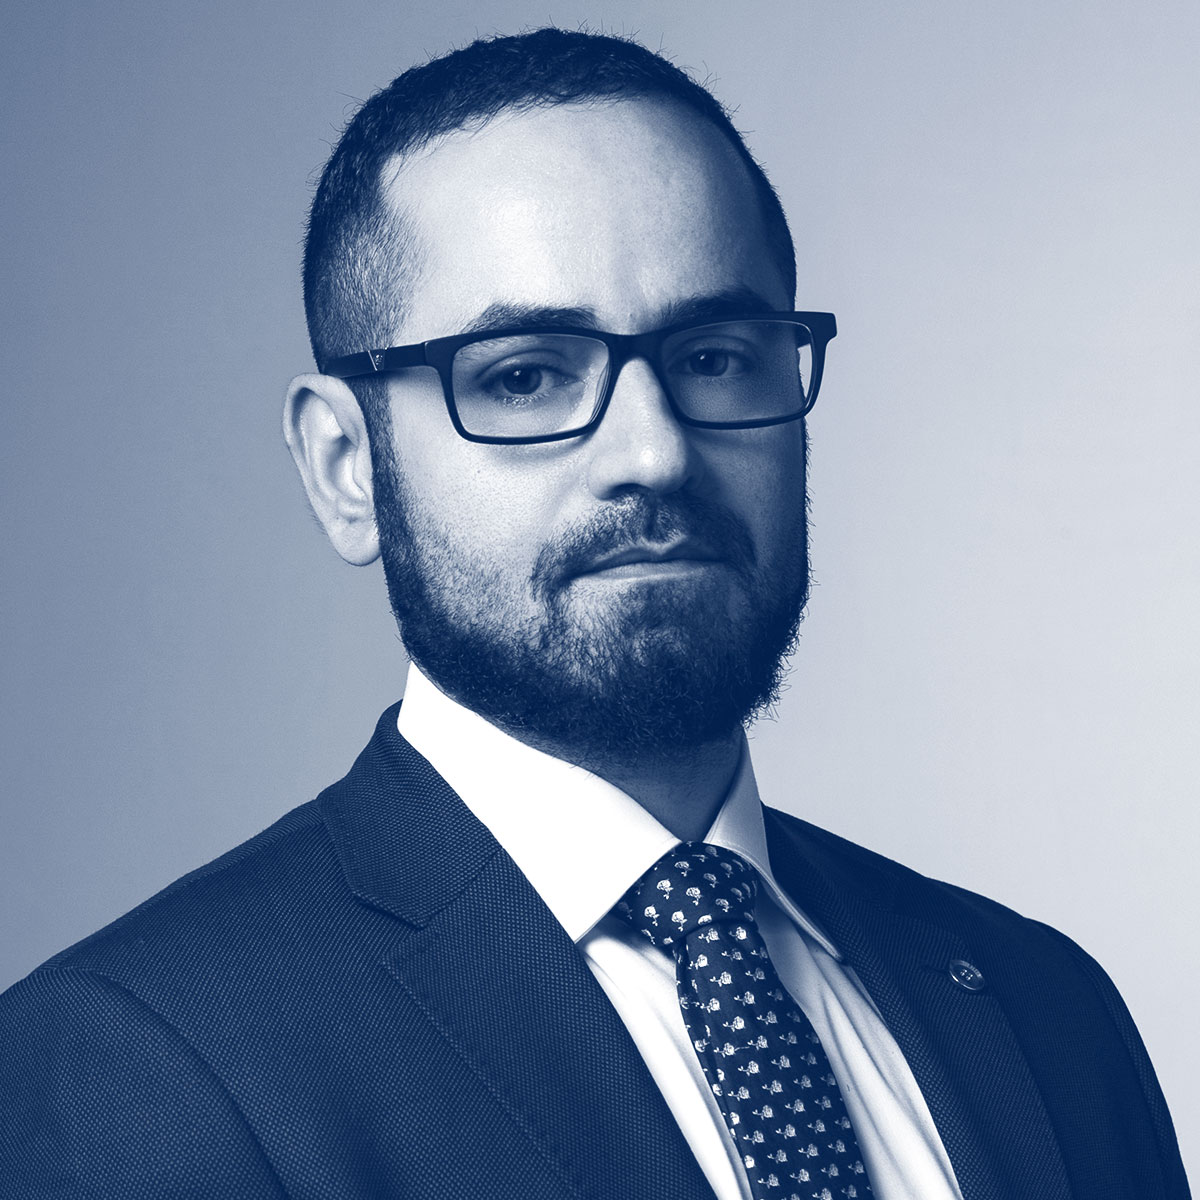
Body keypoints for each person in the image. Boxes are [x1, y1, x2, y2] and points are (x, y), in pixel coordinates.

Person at [0, 27, 1188, 1200]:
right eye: (524, 375)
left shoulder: (1045, 1009)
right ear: (346, 466)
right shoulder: (140, 1071)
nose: (654, 453)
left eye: (714, 356)